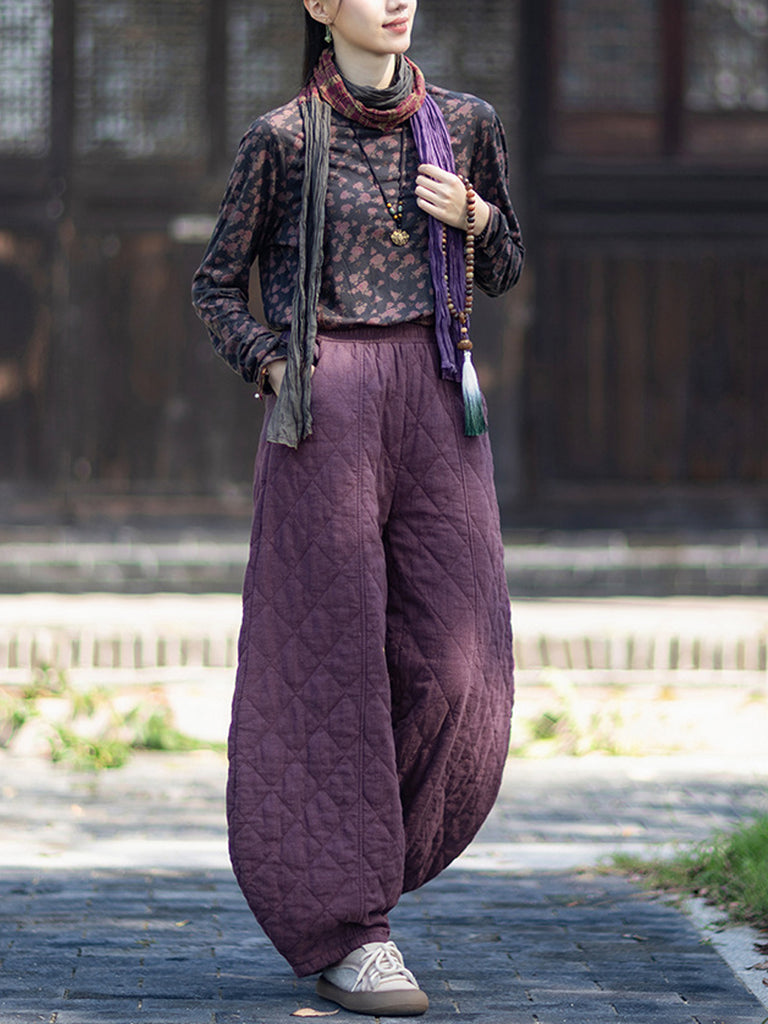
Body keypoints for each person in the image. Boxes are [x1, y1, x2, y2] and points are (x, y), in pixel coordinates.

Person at [192, 0, 524, 1016]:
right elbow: (216, 286)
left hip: (437, 390)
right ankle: (352, 929)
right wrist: (272, 365)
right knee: (327, 667)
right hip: (324, 408)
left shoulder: (464, 124)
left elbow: (506, 264)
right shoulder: (284, 140)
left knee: (461, 665)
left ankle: (352, 866)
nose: (396, 0)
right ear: (319, 6)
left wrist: (475, 220)